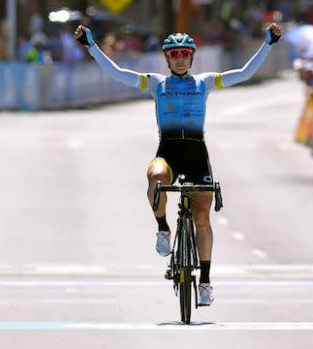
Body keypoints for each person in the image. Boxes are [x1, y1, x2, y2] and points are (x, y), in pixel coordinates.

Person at [74, 22, 282, 306]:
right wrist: (92, 46)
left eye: (185, 53)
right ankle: (163, 227)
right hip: (168, 152)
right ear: (167, 59)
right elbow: (118, 73)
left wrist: (268, 44)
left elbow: (244, 73)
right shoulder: (156, 83)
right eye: (175, 55)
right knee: (154, 175)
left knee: (202, 218)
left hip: (197, 155)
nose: (180, 58)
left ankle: (206, 281)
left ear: (192, 57)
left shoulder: (205, 82)